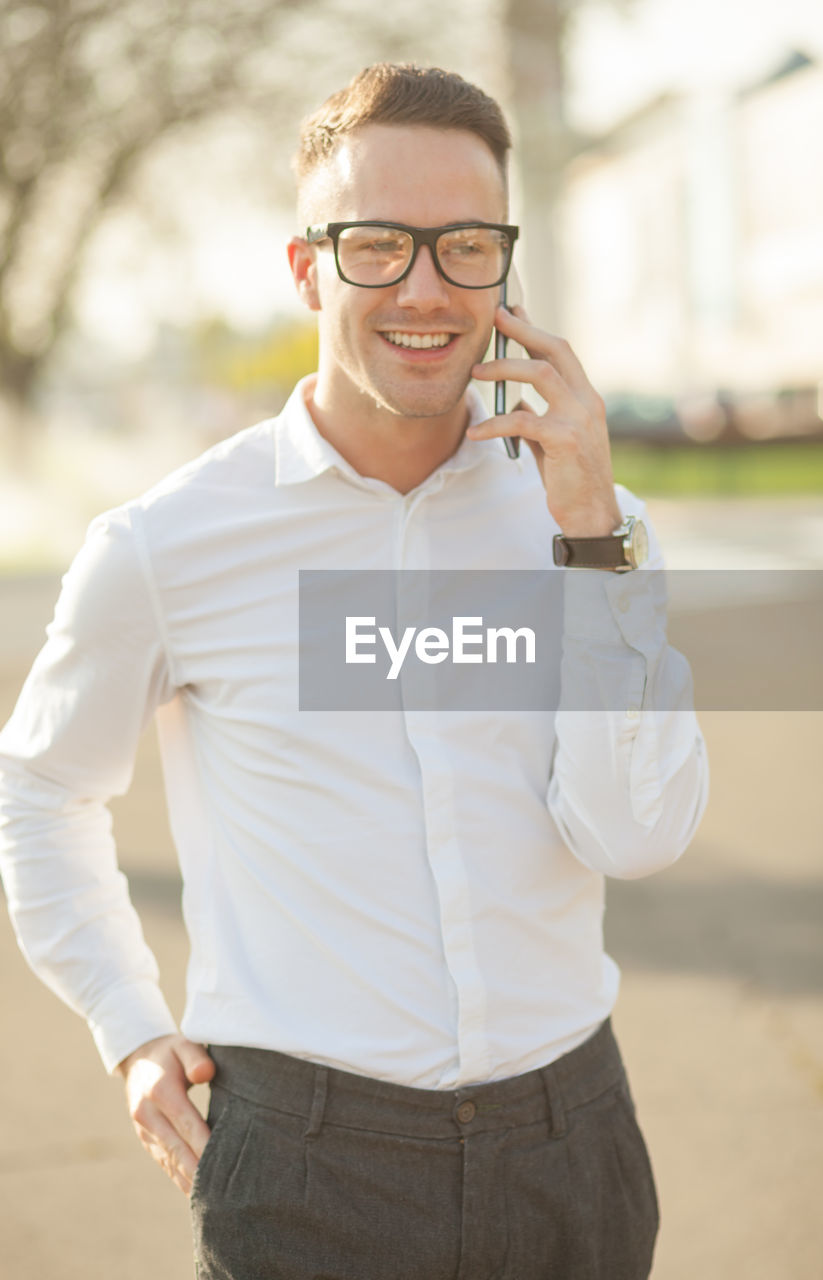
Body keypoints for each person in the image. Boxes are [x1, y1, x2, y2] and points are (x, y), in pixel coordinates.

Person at [0, 63, 708, 1280]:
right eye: (378, 244)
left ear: (506, 266)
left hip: (572, 1146)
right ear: (307, 266)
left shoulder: (591, 520)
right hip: (308, 1171)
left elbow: (635, 831)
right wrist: (129, 1026)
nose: (426, 288)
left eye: (466, 245)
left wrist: (592, 541)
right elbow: (40, 790)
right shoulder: (167, 545)